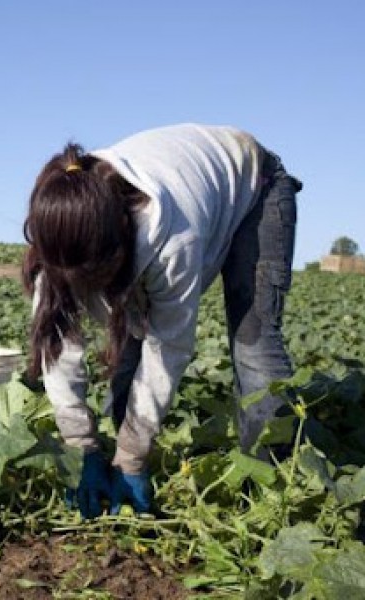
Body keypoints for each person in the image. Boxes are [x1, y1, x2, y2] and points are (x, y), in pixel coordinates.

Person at [21, 123, 302, 518]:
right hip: (183, 192)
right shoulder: (61, 236)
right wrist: (79, 446)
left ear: (118, 251)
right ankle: (114, 460)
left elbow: (166, 349)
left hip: (256, 189)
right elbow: (59, 349)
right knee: (128, 345)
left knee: (253, 344)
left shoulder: (171, 240)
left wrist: (133, 456)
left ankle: (275, 494)